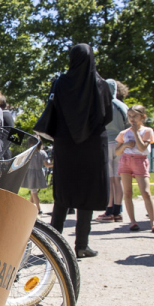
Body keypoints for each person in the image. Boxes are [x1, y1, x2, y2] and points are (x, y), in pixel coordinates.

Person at [49, 44, 113, 258]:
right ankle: (82, 245)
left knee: (63, 192)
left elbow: (53, 111)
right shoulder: (101, 84)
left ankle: (52, 244)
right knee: (87, 192)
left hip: (65, 142)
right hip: (93, 144)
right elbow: (107, 116)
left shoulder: (59, 83)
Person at [116, 105, 154, 232]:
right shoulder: (124, 133)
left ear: (142, 117)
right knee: (128, 192)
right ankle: (132, 221)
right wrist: (125, 145)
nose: (132, 119)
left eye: (135, 116)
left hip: (139, 161)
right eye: (129, 116)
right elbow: (117, 152)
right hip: (125, 161)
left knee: (145, 192)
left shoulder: (147, 131)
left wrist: (136, 133)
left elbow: (142, 148)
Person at [96, 79, 130, 223]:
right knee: (118, 179)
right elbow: (128, 125)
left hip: (106, 143)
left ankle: (108, 211)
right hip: (120, 144)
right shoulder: (123, 106)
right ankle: (118, 210)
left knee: (109, 180)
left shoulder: (102, 105)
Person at [22, 147, 51, 214]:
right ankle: (38, 209)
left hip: (30, 174)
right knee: (34, 191)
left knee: (33, 191)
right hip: (39, 173)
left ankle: (30, 207)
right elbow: (46, 164)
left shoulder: (29, 152)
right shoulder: (42, 152)